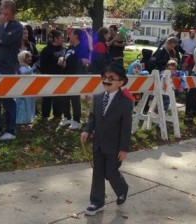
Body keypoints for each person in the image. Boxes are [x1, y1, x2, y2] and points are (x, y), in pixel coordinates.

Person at [80, 62, 132, 216]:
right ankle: (96, 202)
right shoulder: (97, 98)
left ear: (120, 82)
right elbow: (93, 118)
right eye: (104, 77)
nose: (106, 80)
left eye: (111, 78)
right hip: (98, 144)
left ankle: (122, 188)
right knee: (98, 172)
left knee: (110, 172)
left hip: (115, 146)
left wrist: (124, 148)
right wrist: (87, 130)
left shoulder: (125, 102)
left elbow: (126, 127)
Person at [0, 0, 23, 141]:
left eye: (2, 8)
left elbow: (6, 41)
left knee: (8, 99)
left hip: (7, 66)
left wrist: (1, 30)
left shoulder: (17, 27)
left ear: (8, 10)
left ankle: (11, 130)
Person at [58, 28, 90, 129]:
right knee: (65, 97)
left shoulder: (83, 47)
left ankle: (76, 120)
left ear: (76, 36)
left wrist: (77, 62)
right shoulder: (70, 47)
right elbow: (65, 58)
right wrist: (62, 61)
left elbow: (88, 60)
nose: (69, 36)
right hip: (66, 75)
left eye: (71, 34)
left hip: (76, 76)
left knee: (75, 98)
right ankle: (67, 117)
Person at [39, 29, 65, 120]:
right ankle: (45, 115)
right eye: (61, 37)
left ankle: (57, 115)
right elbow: (41, 64)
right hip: (48, 77)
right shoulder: (46, 50)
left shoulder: (63, 49)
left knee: (58, 97)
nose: (63, 39)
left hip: (60, 77)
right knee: (47, 97)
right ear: (55, 39)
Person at [15, 51, 37, 124]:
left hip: (29, 88)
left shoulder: (28, 66)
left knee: (30, 103)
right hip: (23, 89)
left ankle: (29, 117)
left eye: (30, 57)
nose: (30, 59)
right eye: (27, 57)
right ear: (22, 58)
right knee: (24, 104)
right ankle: (22, 119)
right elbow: (24, 74)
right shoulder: (21, 67)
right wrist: (32, 69)